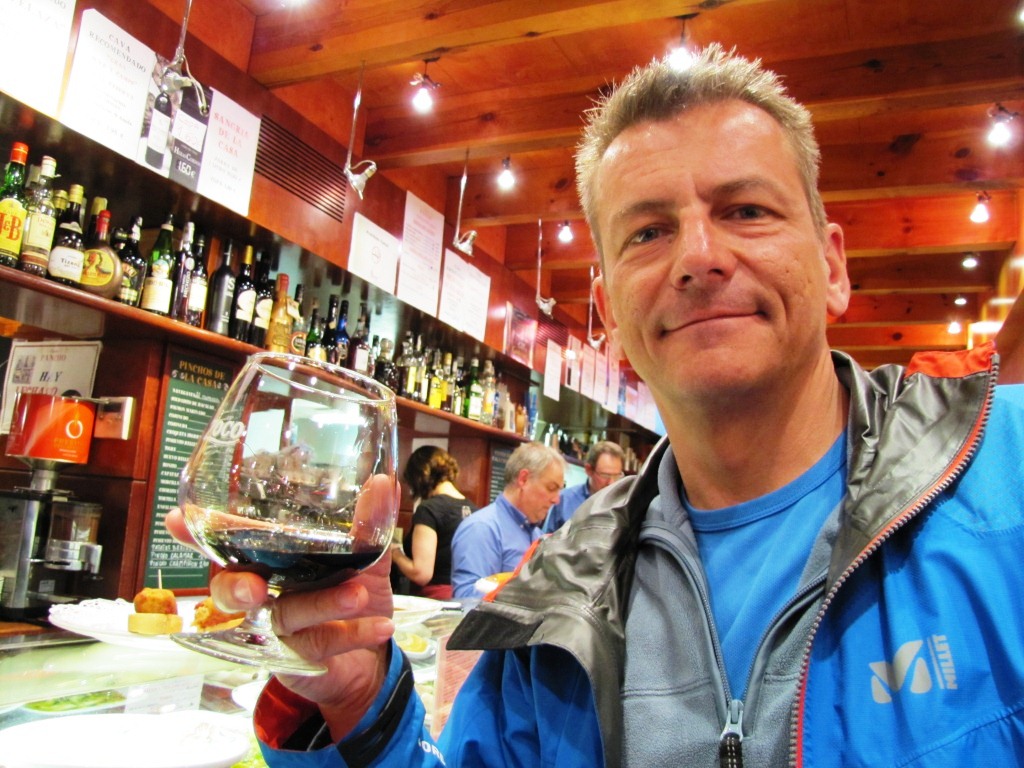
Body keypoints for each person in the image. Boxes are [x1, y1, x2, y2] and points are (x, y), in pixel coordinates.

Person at [166, 44, 1024, 767]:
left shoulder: (1004, 478)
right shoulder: (552, 597)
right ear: (609, 317)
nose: (698, 257)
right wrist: (356, 705)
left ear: (832, 265)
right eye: (648, 232)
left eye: (746, 210)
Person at [449, 441, 564, 598]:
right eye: (551, 488)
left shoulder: (538, 535)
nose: (556, 500)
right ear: (523, 479)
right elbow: (468, 599)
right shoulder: (482, 528)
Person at [390, 445, 475, 600]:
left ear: (419, 476)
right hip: (469, 597)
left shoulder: (429, 510)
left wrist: (394, 553)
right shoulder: (474, 509)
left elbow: (421, 573)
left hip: (436, 600)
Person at [542, 440, 625, 533]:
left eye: (617, 476)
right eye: (605, 475)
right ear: (588, 470)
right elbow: (546, 539)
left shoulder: (623, 505)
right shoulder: (564, 500)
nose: (611, 483)